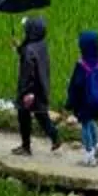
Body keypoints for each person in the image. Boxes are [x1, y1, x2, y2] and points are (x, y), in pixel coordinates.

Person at [64, 29, 98, 167]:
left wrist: (70, 102)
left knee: (85, 124)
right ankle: (97, 146)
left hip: (85, 102)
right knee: (92, 121)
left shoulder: (81, 65)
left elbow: (76, 85)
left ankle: (89, 153)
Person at [13, 14, 60, 155]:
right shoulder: (40, 44)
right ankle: (55, 137)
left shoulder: (29, 50)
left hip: (30, 90)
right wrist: (18, 48)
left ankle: (26, 146)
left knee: (23, 115)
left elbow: (29, 73)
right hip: (41, 86)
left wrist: (28, 92)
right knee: (41, 114)